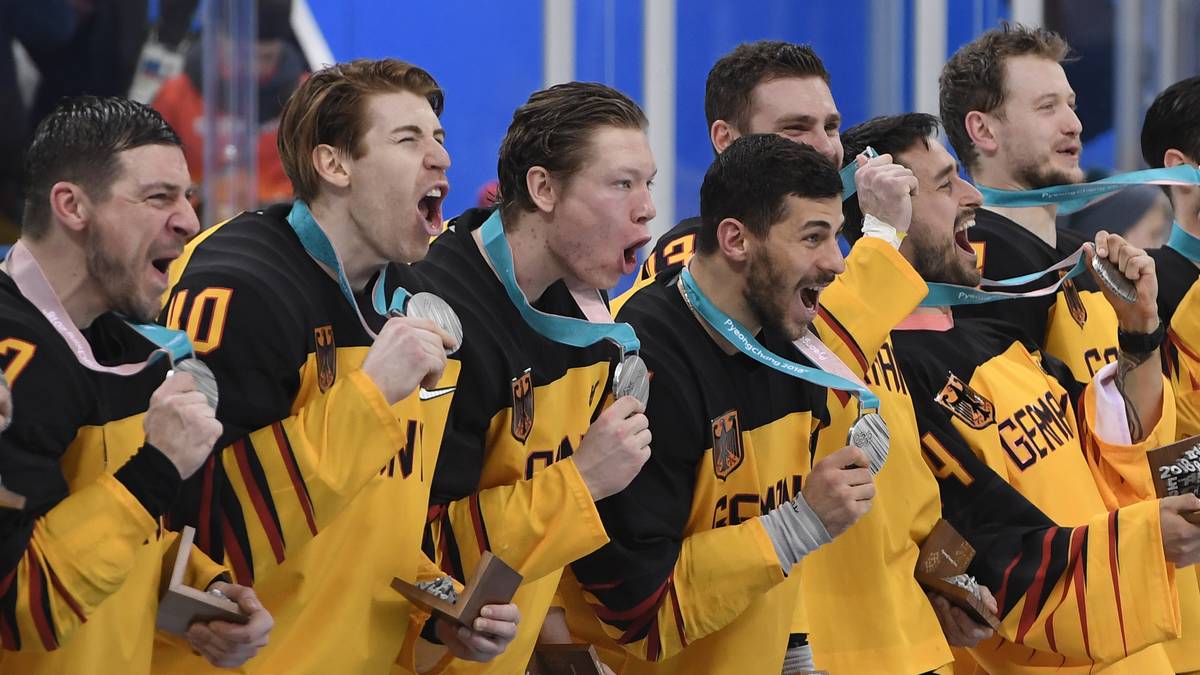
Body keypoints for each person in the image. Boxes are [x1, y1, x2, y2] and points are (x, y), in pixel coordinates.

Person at [617, 41, 976, 674]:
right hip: (804, 632)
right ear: (728, 141)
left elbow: (886, 429)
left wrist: (938, 559)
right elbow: (798, 362)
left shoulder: (833, 257)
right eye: (795, 127)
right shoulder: (698, 261)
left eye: (831, 126)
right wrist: (885, 239)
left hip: (897, 620)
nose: (824, 146)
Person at [152, 59, 519, 675]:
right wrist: (372, 393)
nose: (441, 159)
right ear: (334, 164)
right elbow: (207, 533)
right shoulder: (238, 283)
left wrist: (442, 608)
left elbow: (379, 516)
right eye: (408, 140)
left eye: (440, 138)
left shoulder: (414, 297)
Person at [844, 111, 1200, 673]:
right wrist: (947, 584)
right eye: (943, 183)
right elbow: (958, 533)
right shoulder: (888, 374)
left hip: (1138, 652)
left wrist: (1138, 334)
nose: (971, 196)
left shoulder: (992, 327)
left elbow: (1101, 442)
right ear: (891, 216)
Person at [940, 26, 1200, 671]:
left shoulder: (1076, 272)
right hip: (1059, 632)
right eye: (1046, 106)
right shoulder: (978, 279)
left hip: (1137, 616)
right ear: (984, 130)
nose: (1074, 123)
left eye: (1073, 103)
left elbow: (1122, 445)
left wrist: (1140, 341)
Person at [0, 95, 273, 674]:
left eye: (188, 198)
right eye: (159, 198)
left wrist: (196, 592)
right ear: (72, 205)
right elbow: (19, 604)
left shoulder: (137, 353)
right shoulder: (9, 357)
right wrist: (155, 469)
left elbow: (109, 524)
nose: (190, 221)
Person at [404, 81, 655, 674]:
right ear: (543, 188)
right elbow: (419, 547)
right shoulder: (438, 313)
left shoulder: (584, 315)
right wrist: (582, 482)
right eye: (622, 184)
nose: (645, 208)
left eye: (648, 184)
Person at [151, 0, 307, 208]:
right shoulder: (176, 95)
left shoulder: (307, 102)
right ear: (219, 42)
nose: (253, 68)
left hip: (282, 225)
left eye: (266, 57)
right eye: (242, 56)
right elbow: (152, 176)